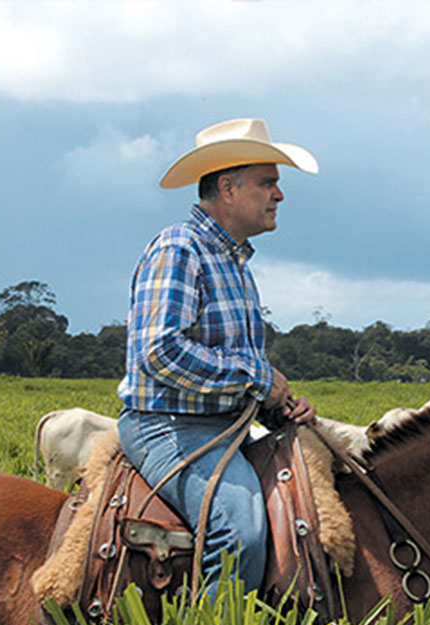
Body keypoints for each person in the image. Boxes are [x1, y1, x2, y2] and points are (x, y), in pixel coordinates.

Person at [117, 118, 318, 599]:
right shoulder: (179, 248)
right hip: (168, 425)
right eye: (268, 182)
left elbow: (233, 374)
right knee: (241, 532)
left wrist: (276, 407)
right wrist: (257, 375)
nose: (279, 195)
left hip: (224, 426)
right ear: (228, 188)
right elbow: (158, 351)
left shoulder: (235, 264)